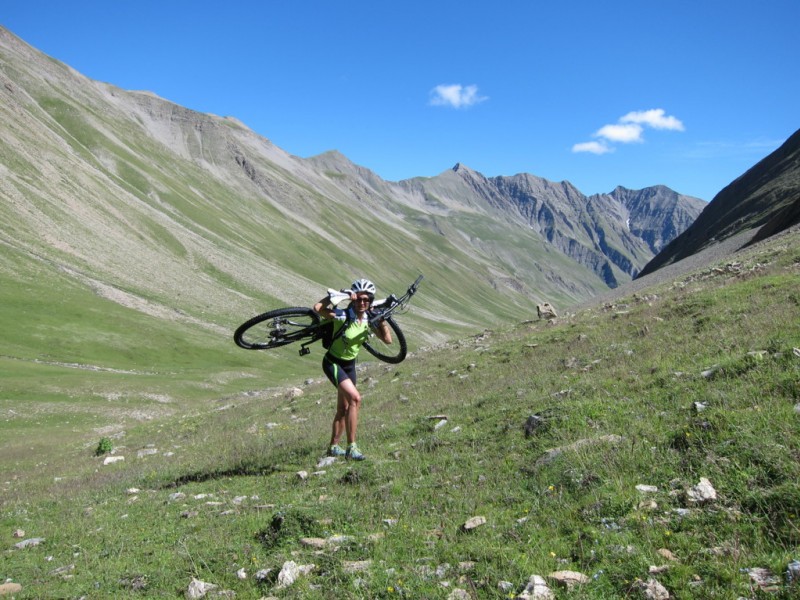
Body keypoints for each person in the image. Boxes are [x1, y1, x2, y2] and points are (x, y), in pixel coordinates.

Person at [313, 278, 392, 461]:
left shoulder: (368, 319)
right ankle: (351, 447)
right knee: (356, 398)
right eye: (359, 299)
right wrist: (336, 297)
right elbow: (317, 308)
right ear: (354, 300)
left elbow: (388, 340)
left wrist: (381, 320)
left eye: (367, 299)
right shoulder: (343, 315)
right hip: (333, 363)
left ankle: (333, 447)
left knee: (344, 407)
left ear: (371, 301)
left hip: (350, 366)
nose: (363, 302)